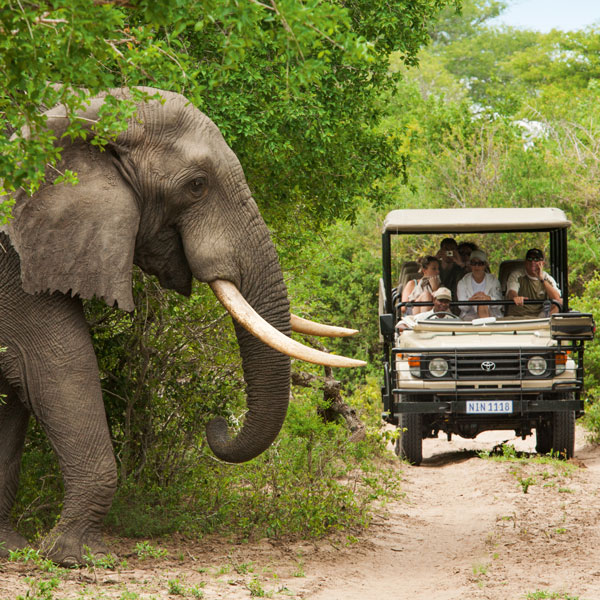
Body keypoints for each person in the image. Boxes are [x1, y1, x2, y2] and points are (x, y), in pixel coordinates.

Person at [506, 248, 562, 318]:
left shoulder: (547, 278)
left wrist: (542, 279)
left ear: (542, 263)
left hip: (539, 319)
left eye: (536, 259)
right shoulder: (516, 275)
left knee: (560, 302)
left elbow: (557, 298)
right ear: (525, 262)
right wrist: (516, 297)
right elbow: (511, 292)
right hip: (517, 316)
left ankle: (545, 324)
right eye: (530, 259)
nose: (532, 262)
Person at [456, 250, 503, 320]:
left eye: (480, 263)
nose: (476, 267)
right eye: (474, 263)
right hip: (469, 318)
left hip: (492, 315)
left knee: (483, 304)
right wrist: (471, 301)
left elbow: (499, 303)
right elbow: (462, 306)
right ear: (470, 264)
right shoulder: (463, 282)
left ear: (485, 265)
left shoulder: (494, 281)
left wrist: (488, 299)